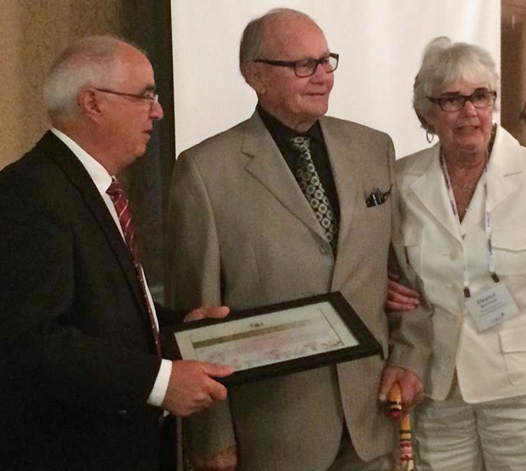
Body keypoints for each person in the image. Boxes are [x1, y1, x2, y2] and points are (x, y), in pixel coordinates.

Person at [165, 8, 428, 471]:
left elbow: (403, 274)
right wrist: (211, 437)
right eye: (304, 65)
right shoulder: (205, 171)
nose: (323, 76)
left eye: (327, 61)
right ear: (256, 76)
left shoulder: (374, 149)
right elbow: (197, 321)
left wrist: (409, 356)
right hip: (273, 432)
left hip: (371, 419)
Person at [0, 36, 233, 471]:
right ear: (92, 103)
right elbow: (33, 341)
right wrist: (159, 381)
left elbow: (98, 308)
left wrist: (177, 326)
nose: (158, 111)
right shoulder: (30, 192)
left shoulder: (90, 185)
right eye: (145, 95)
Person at [387, 37, 526, 470]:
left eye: (480, 96)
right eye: (452, 99)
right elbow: (387, 267)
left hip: (524, 393)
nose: (470, 112)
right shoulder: (402, 181)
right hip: (437, 389)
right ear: (426, 111)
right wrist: (382, 289)